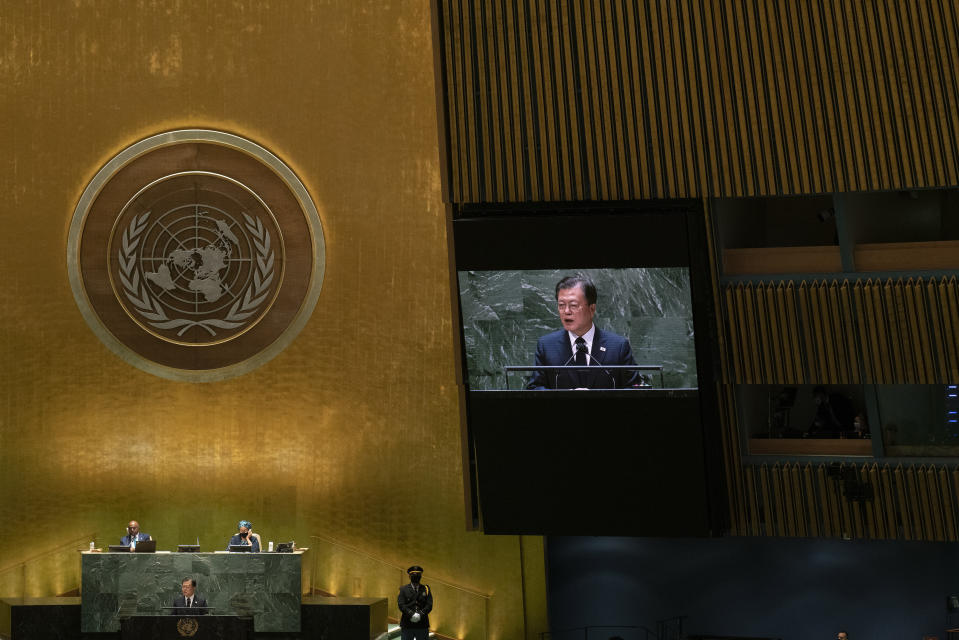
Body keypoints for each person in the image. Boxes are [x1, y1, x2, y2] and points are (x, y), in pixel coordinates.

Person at [526, 276, 640, 390]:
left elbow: (635, 388)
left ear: (592, 309)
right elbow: (535, 388)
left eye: (573, 305)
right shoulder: (547, 345)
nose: (566, 311)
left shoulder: (618, 346)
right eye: (561, 305)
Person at [397, 565, 432, 640]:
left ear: (421, 576)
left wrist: (420, 614)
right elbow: (401, 604)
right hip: (407, 624)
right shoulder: (403, 589)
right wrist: (411, 614)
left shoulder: (426, 589)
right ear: (409, 576)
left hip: (422, 624)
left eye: (418, 575)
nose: (416, 577)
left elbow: (429, 605)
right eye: (413, 575)